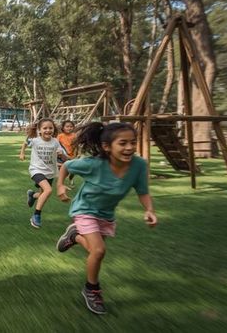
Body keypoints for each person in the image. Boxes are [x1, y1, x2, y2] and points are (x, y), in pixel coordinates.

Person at [55, 122, 157, 315]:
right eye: (123, 143)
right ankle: (91, 289)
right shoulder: (94, 164)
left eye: (132, 142)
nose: (129, 148)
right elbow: (67, 165)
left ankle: (74, 236)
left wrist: (149, 210)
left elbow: (143, 191)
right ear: (107, 147)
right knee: (99, 251)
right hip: (84, 209)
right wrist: (60, 186)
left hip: (106, 215)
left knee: (96, 252)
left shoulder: (138, 165)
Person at [19, 118, 66, 228]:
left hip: (50, 172)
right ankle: (36, 216)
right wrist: (22, 153)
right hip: (36, 170)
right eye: (45, 128)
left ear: (53, 129)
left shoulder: (55, 142)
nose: (48, 130)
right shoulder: (35, 140)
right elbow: (25, 143)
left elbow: (63, 156)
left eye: (50, 128)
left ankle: (33, 195)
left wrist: (61, 154)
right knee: (48, 190)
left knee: (42, 194)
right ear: (39, 130)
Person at [57, 120, 77, 185]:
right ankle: (61, 182)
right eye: (67, 126)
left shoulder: (75, 136)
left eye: (71, 126)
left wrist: (76, 154)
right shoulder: (60, 136)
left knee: (73, 170)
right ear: (63, 128)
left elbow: (77, 146)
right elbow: (57, 145)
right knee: (64, 169)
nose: (69, 128)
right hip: (63, 156)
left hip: (72, 155)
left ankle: (71, 178)